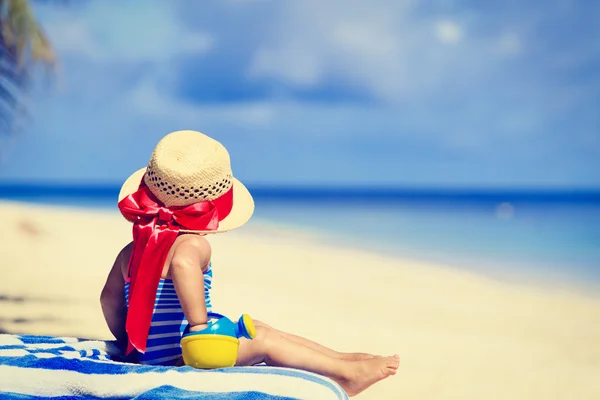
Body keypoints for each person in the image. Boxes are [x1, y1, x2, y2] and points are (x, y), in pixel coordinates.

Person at [100, 130, 399, 397]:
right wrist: (199, 328)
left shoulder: (132, 250)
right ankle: (348, 375)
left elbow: (109, 297)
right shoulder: (193, 245)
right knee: (264, 340)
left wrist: (129, 339)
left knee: (257, 327)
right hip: (185, 355)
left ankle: (341, 359)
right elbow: (182, 265)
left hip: (150, 354)